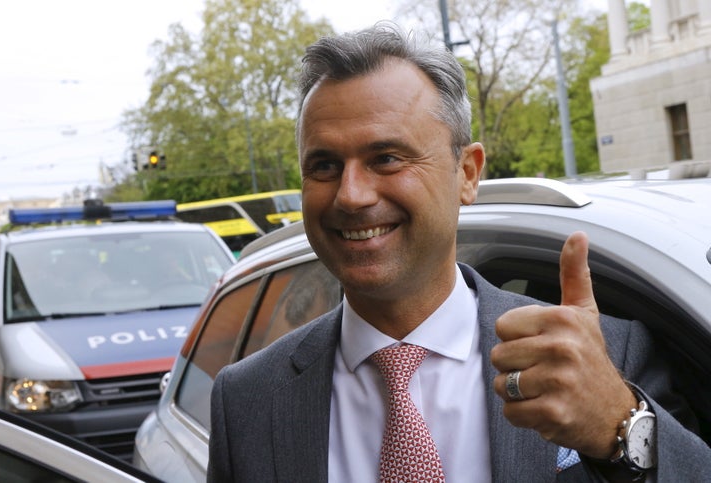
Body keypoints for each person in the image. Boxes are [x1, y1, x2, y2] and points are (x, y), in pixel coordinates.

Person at [207, 23, 711, 482]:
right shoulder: (247, 399)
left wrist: (616, 427)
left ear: (467, 173)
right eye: (323, 165)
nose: (351, 195)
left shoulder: (602, 357)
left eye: (386, 157)